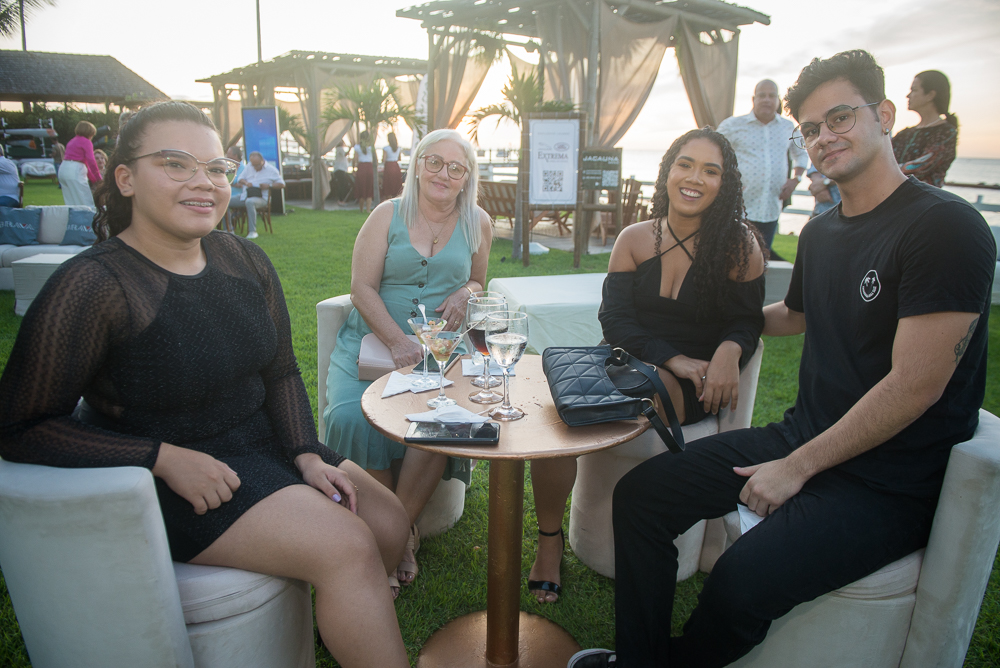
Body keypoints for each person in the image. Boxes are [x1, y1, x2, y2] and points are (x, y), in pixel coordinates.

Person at [568, 48, 995, 668]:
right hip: (805, 433)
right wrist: (719, 342)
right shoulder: (823, 232)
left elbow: (916, 386)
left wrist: (796, 466)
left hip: (889, 479)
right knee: (642, 498)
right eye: (813, 130)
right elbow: (790, 315)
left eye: (841, 118)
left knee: (740, 582)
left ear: (885, 114)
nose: (825, 138)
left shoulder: (944, 229)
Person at [0, 101, 411, 668]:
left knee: (390, 524)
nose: (204, 183)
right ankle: (349, 592)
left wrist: (305, 452)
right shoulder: (94, 286)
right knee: (349, 546)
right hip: (180, 478)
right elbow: (18, 426)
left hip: (261, 442)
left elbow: (280, 370)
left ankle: (341, 614)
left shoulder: (244, 259)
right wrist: (159, 458)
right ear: (125, 178)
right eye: (176, 164)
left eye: (218, 168)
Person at [528, 128, 765, 604]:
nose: (694, 177)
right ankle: (549, 540)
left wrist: (728, 351)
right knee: (554, 420)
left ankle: (642, 537)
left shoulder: (740, 247)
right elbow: (613, 320)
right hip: (622, 358)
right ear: (667, 171)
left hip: (688, 381)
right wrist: (668, 355)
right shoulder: (635, 238)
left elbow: (746, 320)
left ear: (726, 183)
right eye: (685, 164)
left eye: (710, 170)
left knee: (626, 395)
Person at [324, 128, 492, 595]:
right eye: (434, 162)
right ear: (417, 165)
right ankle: (398, 537)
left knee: (440, 423)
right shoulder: (386, 215)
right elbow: (362, 289)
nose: (443, 173)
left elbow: (480, 282)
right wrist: (397, 341)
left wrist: (464, 291)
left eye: (455, 167)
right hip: (375, 344)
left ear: (467, 178)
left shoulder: (478, 222)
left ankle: (397, 535)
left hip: (439, 350)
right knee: (351, 417)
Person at [717, 80, 809, 257]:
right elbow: (712, 153)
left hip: (771, 208)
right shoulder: (733, 125)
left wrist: (795, 180)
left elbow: (801, 154)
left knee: (762, 259)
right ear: (753, 99)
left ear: (778, 100)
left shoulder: (788, 127)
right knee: (735, 258)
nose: (767, 99)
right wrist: (725, 182)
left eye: (772, 95)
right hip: (738, 209)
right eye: (762, 95)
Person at [892, 70, 958, 187]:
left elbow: (924, 164)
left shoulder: (946, 132)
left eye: (914, 90)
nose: (908, 95)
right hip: (894, 199)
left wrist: (885, 171)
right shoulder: (904, 134)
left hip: (924, 202)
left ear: (930, 95)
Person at [233, 150, 284, 240]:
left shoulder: (271, 170)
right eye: (253, 165)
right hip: (245, 195)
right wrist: (246, 182)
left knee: (250, 202)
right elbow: (240, 178)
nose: (255, 167)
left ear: (262, 161)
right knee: (226, 201)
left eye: (257, 165)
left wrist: (269, 186)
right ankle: (228, 229)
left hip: (261, 199)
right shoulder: (249, 166)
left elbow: (282, 184)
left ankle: (252, 231)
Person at [59, 121, 102, 207]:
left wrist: (93, 179)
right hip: (75, 169)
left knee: (71, 203)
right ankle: (90, 220)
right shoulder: (86, 142)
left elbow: (85, 163)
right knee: (85, 201)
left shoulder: (72, 141)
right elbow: (91, 161)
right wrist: (98, 178)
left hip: (63, 168)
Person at [224, 145, 247, 233]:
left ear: (235, 156)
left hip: (239, 195)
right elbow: (228, 181)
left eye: (229, 154)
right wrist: (233, 183)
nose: (226, 157)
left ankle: (229, 229)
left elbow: (240, 183)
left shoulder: (244, 168)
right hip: (228, 193)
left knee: (224, 203)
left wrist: (232, 183)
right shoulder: (229, 167)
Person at [354, 131, 374, 213]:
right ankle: (368, 209)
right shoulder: (371, 147)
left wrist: (353, 168)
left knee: (361, 188)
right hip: (369, 167)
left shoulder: (357, 147)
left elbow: (354, 159)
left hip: (361, 167)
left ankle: (361, 209)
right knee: (369, 188)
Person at [382, 132, 403, 199]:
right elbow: (399, 158)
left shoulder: (386, 148)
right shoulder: (398, 148)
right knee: (396, 184)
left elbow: (383, 159)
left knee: (388, 184)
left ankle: (388, 199)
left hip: (389, 166)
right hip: (396, 166)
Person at [331, 140, 352, 204]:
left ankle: (342, 199)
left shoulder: (339, 150)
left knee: (342, 184)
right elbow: (345, 154)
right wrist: (350, 148)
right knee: (342, 184)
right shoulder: (339, 149)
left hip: (341, 169)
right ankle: (341, 199)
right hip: (340, 170)